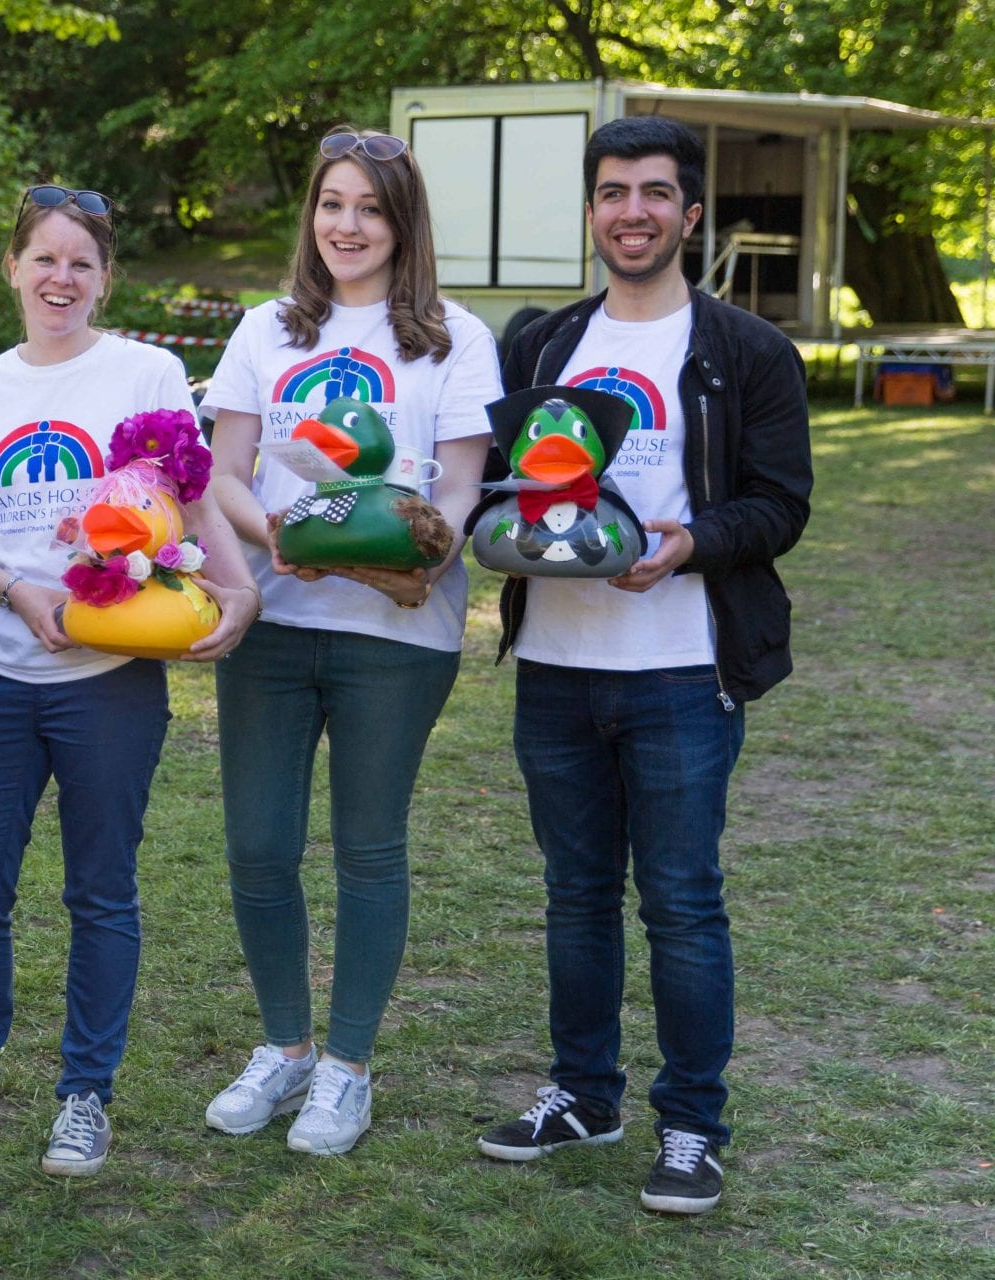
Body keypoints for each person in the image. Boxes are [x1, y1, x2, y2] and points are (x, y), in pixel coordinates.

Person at [474, 116, 812, 1215]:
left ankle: (691, 1123)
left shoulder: (746, 351)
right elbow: (504, 482)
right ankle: (584, 1093)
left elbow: (780, 503)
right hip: (557, 666)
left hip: (680, 669)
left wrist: (685, 547)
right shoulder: (542, 343)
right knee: (575, 896)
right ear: (592, 210)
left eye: (656, 193)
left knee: (680, 901)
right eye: (614, 191)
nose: (634, 210)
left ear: (691, 213)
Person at [0, 184, 259, 1177]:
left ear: (104, 279)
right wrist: (15, 590)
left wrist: (237, 588)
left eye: (81, 263)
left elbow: (188, 498)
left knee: (101, 892)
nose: (62, 279)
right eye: (45, 259)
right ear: (12, 267)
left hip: (112, 680)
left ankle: (84, 1094)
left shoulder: (145, 370)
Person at [198, 128, 499, 1156]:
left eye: (370, 207)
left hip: (397, 632)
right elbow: (224, 471)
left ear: (402, 221)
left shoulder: (454, 336)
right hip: (275, 621)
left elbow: (460, 482)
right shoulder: (266, 330)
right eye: (332, 203)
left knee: (369, 847)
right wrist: (274, 533)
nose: (348, 225)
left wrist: (419, 541)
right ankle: (285, 1048)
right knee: (258, 842)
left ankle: (348, 1067)